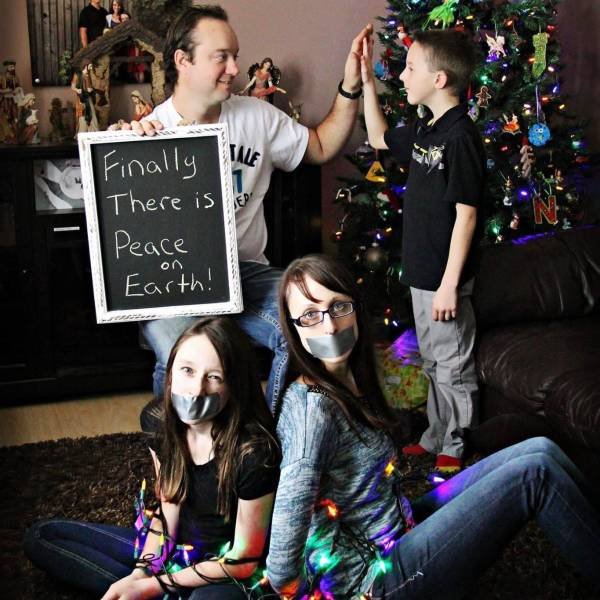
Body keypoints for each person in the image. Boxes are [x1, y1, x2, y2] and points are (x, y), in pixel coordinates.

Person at [266, 253, 600, 599]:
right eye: (310, 315)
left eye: (338, 307)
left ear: (355, 308)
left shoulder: (350, 379)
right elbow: (280, 568)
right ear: (293, 327)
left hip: (400, 526)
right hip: (376, 581)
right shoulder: (313, 412)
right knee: (535, 473)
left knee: (541, 449)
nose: (329, 327)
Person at [126, 5, 371, 428]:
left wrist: (350, 86)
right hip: (174, 283)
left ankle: (272, 439)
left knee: (307, 324)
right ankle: (183, 452)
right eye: (221, 57)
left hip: (245, 273)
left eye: (235, 55)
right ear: (183, 60)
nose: (235, 68)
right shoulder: (149, 132)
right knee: (188, 353)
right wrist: (123, 146)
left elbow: (320, 146)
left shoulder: (256, 116)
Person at [24, 317, 280, 599]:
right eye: (187, 370)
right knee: (42, 536)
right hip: (179, 551)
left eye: (214, 377)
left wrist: (154, 585)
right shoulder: (157, 421)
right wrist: (142, 572)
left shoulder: (255, 452)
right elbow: (168, 506)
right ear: (171, 373)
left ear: (235, 385)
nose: (196, 390)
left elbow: (243, 561)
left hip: (226, 570)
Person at [361, 28, 486, 473]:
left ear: (439, 80)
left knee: (452, 364)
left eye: (410, 68)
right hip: (421, 273)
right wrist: (366, 82)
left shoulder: (460, 136)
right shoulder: (424, 130)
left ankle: (458, 442)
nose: (402, 75)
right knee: (432, 360)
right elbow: (378, 136)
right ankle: (435, 435)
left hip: (445, 279)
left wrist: (450, 284)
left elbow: (466, 216)